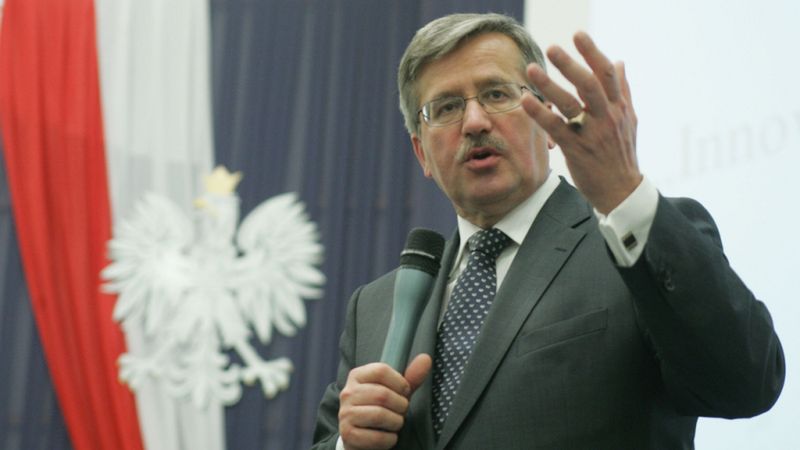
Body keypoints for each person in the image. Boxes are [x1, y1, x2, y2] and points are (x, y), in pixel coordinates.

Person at [311, 12, 784, 450]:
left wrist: (625, 193)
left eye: (497, 94)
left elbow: (746, 383)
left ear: (547, 119)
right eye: (447, 106)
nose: (474, 122)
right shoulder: (374, 308)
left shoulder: (634, 246)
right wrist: (347, 444)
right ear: (422, 153)